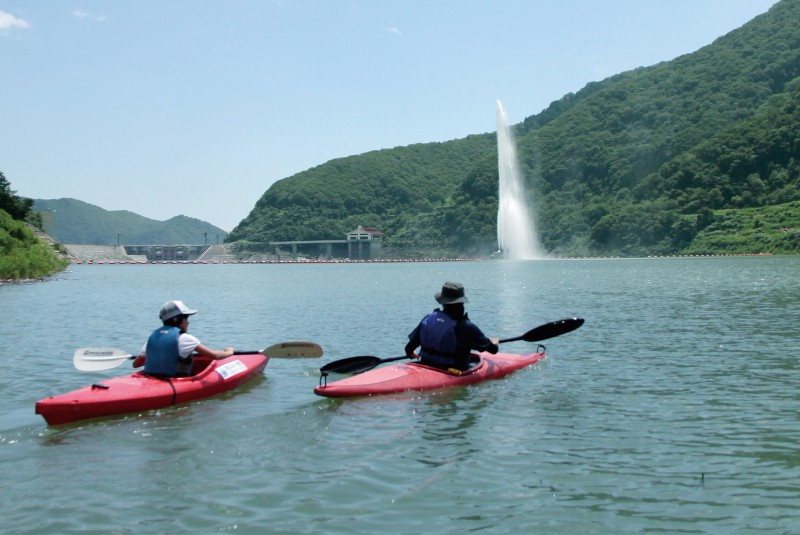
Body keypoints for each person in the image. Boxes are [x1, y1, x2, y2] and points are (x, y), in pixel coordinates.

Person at [405, 281, 499, 372]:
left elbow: (408, 349)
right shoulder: (466, 326)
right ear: (462, 302)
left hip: (426, 364)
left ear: (443, 302)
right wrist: (494, 342)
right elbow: (493, 350)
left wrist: (411, 353)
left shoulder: (428, 319)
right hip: (451, 370)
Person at [141, 300, 234, 378]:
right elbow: (215, 355)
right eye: (186, 318)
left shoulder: (153, 338)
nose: (188, 322)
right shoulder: (185, 339)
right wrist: (229, 352)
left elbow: (136, 364)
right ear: (176, 320)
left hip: (151, 378)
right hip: (173, 381)